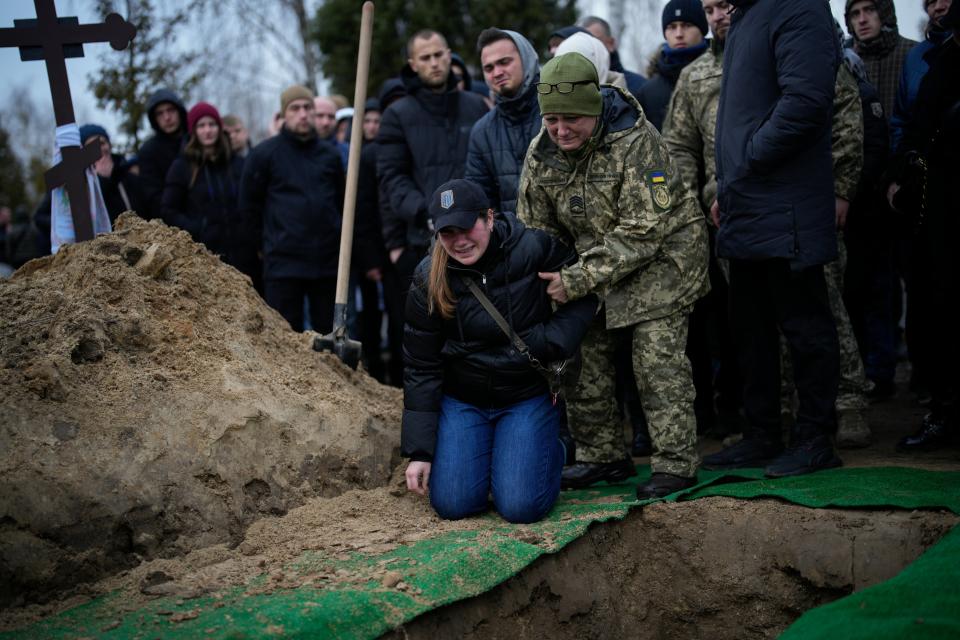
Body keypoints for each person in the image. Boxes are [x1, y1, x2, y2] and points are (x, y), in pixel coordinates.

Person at [517, 52, 710, 498]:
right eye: (551, 120)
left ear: (594, 110)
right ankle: (601, 456)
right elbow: (535, 229)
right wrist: (544, 278)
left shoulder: (638, 141)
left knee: (655, 359)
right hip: (595, 267)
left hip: (664, 262)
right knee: (581, 355)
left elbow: (646, 231)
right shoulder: (541, 153)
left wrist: (579, 279)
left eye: (572, 120)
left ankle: (675, 462)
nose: (561, 131)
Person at [402, 179, 597, 523]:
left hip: (525, 393)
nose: (459, 241)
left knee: (522, 507)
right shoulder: (426, 278)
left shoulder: (533, 247)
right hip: (465, 399)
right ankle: (497, 457)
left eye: (467, 227)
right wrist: (420, 452)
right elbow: (421, 366)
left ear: (489, 218)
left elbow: (585, 293)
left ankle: (553, 447)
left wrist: (551, 341)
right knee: (453, 504)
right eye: (448, 232)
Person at [707, 0, 843, 477]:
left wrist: (747, 158)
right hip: (747, 203)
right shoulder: (747, 15)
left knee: (805, 326)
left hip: (786, 206)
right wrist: (730, 185)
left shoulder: (797, 6)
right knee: (751, 329)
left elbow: (806, 101)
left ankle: (815, 436)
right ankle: (762, 433)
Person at [887, 3, 960, 451]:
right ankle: (945, 412)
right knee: (938, 307)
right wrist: (901, 171)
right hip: (943, 209)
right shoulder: (940, 63)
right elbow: (915, 126)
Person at [377, 29, 488, 308]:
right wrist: (429, 212)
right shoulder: (397, 115)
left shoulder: (476, 106)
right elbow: (392, 177)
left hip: (479, 235)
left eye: (439, 55)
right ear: (413, 64)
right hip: (426, 240)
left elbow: (490, 167)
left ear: (449, 56)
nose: (434, 63)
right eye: (425, 58)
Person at [240, 85, 345, 332]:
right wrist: (265, 245)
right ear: (283, 114)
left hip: (326, 262)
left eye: (307, 108)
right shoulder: (264, 154)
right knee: (286, 335)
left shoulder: (329, 155)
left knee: (326, 335)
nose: (302, 114)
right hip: (284, 264)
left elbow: (340, 202)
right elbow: (248, 207)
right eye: (295, 108)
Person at [161, 102, 256, 286]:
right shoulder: (182, 167)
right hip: (205, 259)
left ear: (219, 128)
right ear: (194, 130)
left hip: (245, 257)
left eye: (212, 125)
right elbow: (168, 210)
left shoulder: (238, 164)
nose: (207, 130)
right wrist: (198, 228)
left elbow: (252, 202)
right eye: (201, 126)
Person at [33, 124, 145, 254]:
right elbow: (40, 218)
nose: (100, 149)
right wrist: (102, 181)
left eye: (102, 143)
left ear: (109, 145)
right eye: (91, 145)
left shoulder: (128, 177)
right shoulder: (70, 183)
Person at [465, 28, 542, 214]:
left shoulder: (557, 112)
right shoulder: (482, 132)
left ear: (526, 59)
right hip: (512, 241)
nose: (497, 72)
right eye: (489, 68)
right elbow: (482, 204)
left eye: (504, 62)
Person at [889, 0, 953, 153]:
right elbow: (900, 119)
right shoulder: (915, 57)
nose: (938, 7)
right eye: (931, 2)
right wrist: (904, 160)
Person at [637, 0, 709, 132]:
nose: (679, 34)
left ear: (702, 29)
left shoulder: (724, 72)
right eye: (672, 27)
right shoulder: (648, 92)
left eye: (686, 25)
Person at [845, 0, 918, 122]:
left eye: (869, 10)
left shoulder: (914, 54)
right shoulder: (844, 62)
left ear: (885, 13)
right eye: (855, 14)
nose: (862, 20)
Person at [137, 88, 188, 219]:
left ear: (179, 111)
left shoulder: (196, 141)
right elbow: (153, 198)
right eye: (160, 113)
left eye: (170, 110)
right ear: (154, 119)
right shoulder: (148, 151)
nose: (167, 117)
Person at [579, 16, 647, 95]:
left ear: (610, 43)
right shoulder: (567, 88)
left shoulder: (640, 87)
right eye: (579, 41)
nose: (585, 47)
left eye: (594, 40)